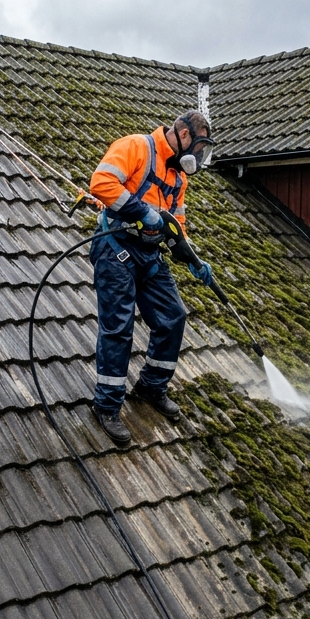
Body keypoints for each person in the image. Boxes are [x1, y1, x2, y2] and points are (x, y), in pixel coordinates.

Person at [87, 110, 216, 444]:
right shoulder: (136, 148)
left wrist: (193, 259)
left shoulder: (178, 179)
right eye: (199, 146)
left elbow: (176, 227)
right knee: (119, 327)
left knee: (173, 316)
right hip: (114, 248)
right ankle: (107, 405)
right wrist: (142, 211)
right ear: (185, 135)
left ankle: (151, 387)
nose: (199, 156)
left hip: (150, 255)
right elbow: (101, 183)